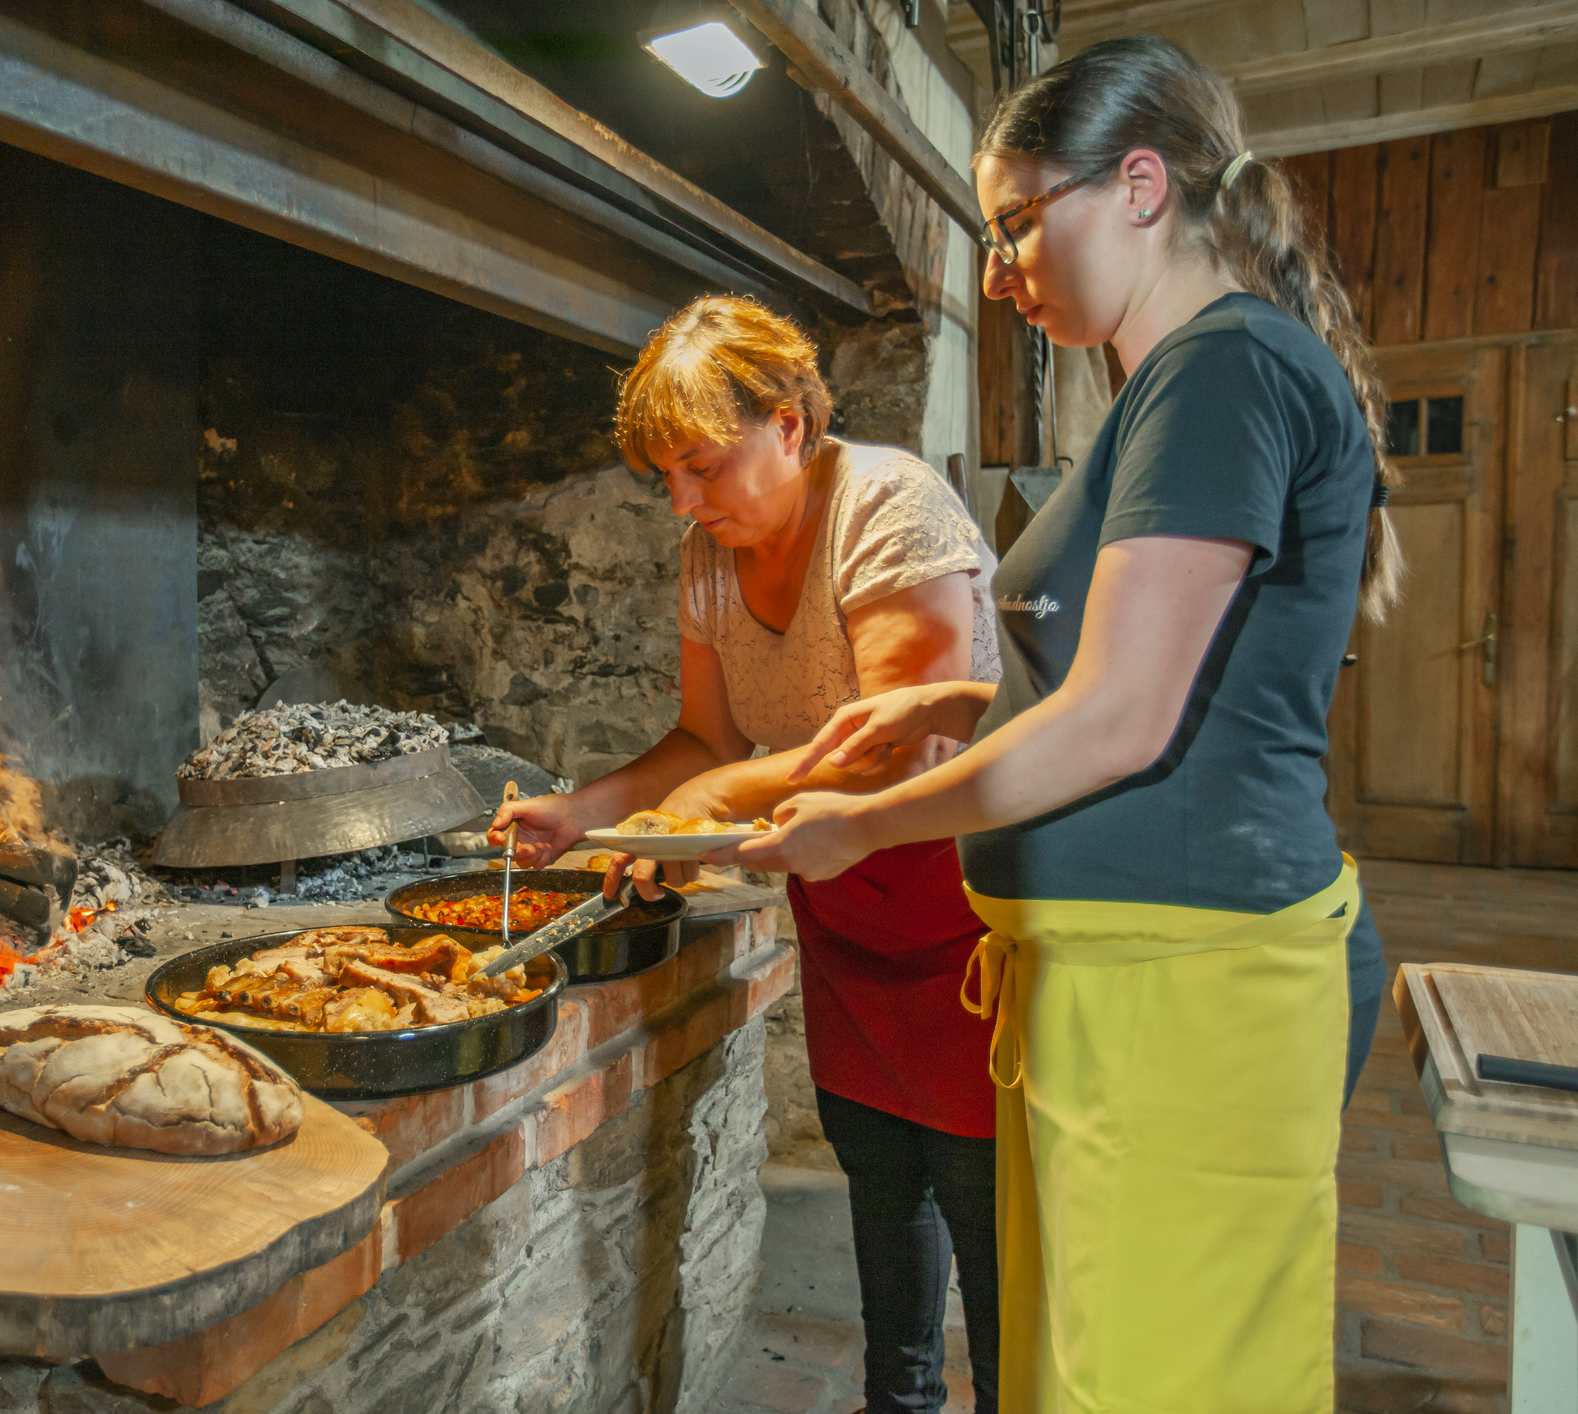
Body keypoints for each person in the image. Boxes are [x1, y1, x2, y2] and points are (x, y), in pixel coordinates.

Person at [716, 36, 1396, 1414]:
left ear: (1139, 187)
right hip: (1126, 978)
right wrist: (950, 701)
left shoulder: (1222, 371)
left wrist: (861, 826)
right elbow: (1160, 667)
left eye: (1018, 222)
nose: (994, 270)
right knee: (1081, 1370)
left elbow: (1126, 719)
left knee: (1163, 1382)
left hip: (1192, 981)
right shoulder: (1167, 388)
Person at [489, 295, 1004, 1414]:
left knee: (989, 1204)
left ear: (787, 423)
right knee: (880, 1171)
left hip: (965, 903)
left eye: (702, 465)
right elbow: (705, 741)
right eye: (664, 475)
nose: (682, 500)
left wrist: (717, 797)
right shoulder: (709, 558)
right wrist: (587, 811)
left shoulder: (889, 505)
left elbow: (904, 743)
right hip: (842, 897)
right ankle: (898, 1398)